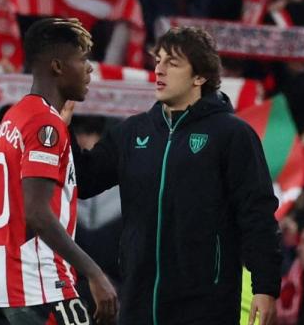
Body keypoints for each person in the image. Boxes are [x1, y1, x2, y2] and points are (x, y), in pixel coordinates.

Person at [71, 26, 281, 325]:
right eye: (158, 60)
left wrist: (265, 287)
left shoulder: (233, 135)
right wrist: (62, 126)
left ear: (200, 77)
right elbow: (85, 181)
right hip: (138, 299)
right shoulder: (133, 132)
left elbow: (257, 215)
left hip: (206, 303)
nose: (159, 69)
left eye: (173, 62)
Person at [0, 18, 117, 325]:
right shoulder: (45, 123)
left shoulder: (16, 116)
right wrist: (94, 273)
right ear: (57, 66)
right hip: (37, 284)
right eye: (82, 59)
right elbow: (36, 212)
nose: (89, 68)